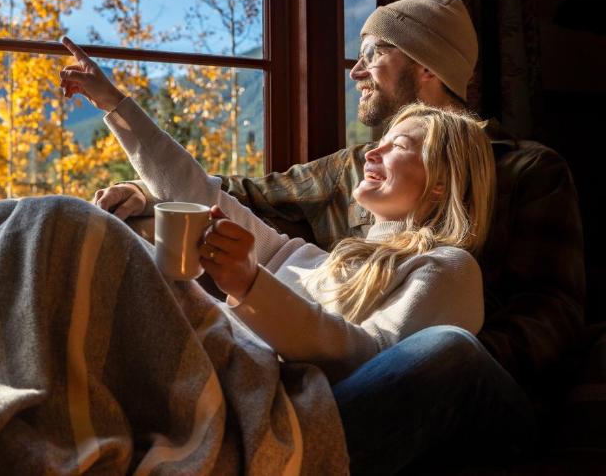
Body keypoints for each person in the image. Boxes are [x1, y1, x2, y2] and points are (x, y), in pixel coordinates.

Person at [60, 35, 535, 473]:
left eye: (398, 147)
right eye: (379, 142)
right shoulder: (314, 260)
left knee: (449, 349)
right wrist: (112, 103)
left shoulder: (448, 268)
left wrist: (251, 285)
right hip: (253, 402)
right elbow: (204, 194)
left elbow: (370, 363)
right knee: (58, 222)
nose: (371, 153)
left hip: (333, 423)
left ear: (439, 183)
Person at [91, 0, 585, 399]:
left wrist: (451, 361)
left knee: (446, 350)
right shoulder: (351, 177)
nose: (356, 71)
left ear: (427, 67)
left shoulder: (525, 173)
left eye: (373, 53)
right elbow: (247, 195)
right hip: (327, 366)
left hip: (446, 382)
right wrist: (144, 184)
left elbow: (550, 310)